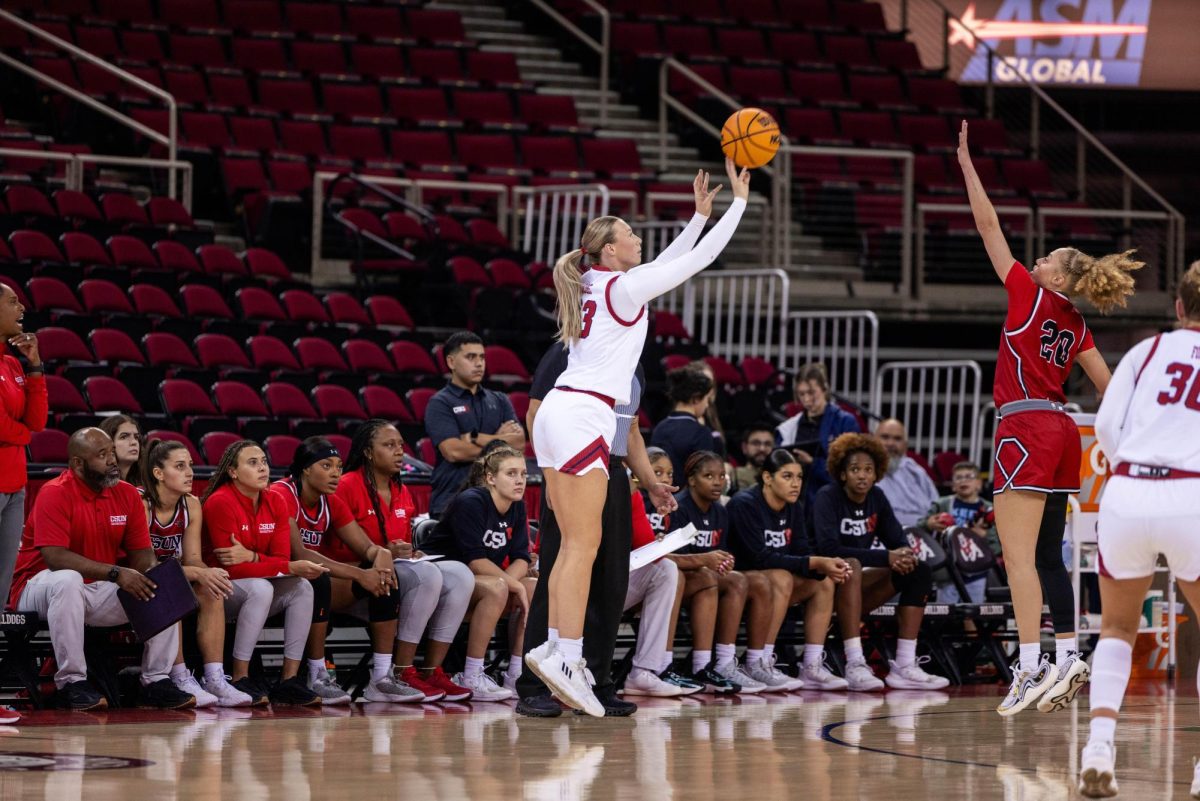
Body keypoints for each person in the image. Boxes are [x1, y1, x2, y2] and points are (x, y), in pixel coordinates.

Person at [525, 159, 749, 717]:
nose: (638, 236)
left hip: (561, 413)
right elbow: (698, 263)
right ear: (608, 250)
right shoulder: (623, 288)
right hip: (583, 415)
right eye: (628, 233)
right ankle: (567, 655)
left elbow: (672, 260)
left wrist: (698, 217)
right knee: (583, 545)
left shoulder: (603, 285)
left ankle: (556, 646)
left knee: (568, 548)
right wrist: (738, 204)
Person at [959, 120, 1140, 716]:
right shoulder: (1077, 322)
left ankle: (1030, 665)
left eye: (1045, 258)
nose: (1033, 259)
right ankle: (1067, 656)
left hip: (1025, 427)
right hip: (1065, 430)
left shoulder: (1026, 294)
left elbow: (989, 227)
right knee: (1046, 557)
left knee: (1015, 558)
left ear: (1057, 277)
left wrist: (967, 166)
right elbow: (1110, 386)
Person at [1077, 262, 1200, 798]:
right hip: (1191, 492)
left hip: (1127, 489)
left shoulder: (1146, 351)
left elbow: (1105, 424)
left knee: (1116, 630)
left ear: (1178, 307)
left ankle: (1099, 746)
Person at [517, 344, 674, 718]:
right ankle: (535, 685)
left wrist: (651, 484)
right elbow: (536, 414)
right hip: (574, 471)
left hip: (615, 472)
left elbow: (631, 429)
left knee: (610, 582)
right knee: (560, 571)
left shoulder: (634, 361)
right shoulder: (567, 351)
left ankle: (597, 681)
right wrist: (550, 477)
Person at [8, 428, 194, 711]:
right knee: (67, 580)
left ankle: (156, 680)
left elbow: (142, 555)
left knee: (161, 581)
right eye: (102, 455)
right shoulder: (55, 492)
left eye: (111, 452)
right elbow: (55, 559)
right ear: (78, 464)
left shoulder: (127, 494)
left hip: (94, 587)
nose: (112, 460)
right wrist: (118, 574)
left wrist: (149, 574)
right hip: (36, 588)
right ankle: (71, 682)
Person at [268, 437, 426, 705]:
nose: (335, 473)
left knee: (385, 577)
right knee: (317, 577)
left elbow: (366, 547)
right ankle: (317, 673)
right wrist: (359, 574)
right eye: (326, 465)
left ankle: (381, 678)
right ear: (306, 469)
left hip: (304, 581)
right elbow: (300, 554)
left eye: (339, 467)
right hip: (273, 579)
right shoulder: (282, 494)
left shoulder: (330, 501)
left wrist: (382, 555)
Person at [335, 419, 475, 702]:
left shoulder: (402, 489)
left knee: (460, 575)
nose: (399, 451)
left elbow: (400, 546)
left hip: (395, 573)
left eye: (400, 445)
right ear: (368, 452)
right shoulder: (346, 485)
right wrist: (387, 550)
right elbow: (346, 544)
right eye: (389, 445)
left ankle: (431, 670)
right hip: (354, 575)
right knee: (427, 575)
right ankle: (400, 671)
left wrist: (411, 552)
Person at [813, 433, 950, 691]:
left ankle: (905, 665)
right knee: (850, 564)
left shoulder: (877, 497)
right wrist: (887, 557)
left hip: (855, 587)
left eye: (868, 470)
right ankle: (854, 662)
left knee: (918, 569)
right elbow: (828, 549)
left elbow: (898, 540)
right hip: (824, 584)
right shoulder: (827, 497)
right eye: (855, 470)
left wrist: (903, 556)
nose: (862, 475)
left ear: (877, 473)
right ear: (842, 474)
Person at [201, 440, 326, 706]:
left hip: (253, 588)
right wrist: (280, 565)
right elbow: (231, 568)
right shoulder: (219, 502)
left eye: (264, 462)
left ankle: (289, 679)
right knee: (262, 587)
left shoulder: (276, 500)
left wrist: (254, 557)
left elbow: (280, 558)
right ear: (233, 472)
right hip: (218, 593)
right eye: (253, 463)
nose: (262, 468)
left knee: (302, 587)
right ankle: (239, 677)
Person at [727, 449, 854, 692]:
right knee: (782, 577)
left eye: (799, 477)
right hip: (741, 584)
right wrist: (815, 562)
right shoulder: (744, 504)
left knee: (824, 582)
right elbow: (759, 558)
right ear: (767, 478)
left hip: (773, 586)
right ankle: (758, 662)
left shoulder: (794, 507)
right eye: (787, 476)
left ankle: (812, 666)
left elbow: (801, 549)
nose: (795, 484)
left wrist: (823, 567)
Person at [140, 438, 252, 708]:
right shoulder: (141, 503)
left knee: (211, 587)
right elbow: (145, 564)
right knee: (172, 584)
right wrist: (195, 572)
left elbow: (192, 558)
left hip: (172, 576)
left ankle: (214, 677)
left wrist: (209, 573)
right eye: (180, 466)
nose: (189, 472)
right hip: (139, 582)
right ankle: (179, 676)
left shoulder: (191, 504)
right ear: (158, 473)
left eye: (190, 465)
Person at [423, 444, 535, 701]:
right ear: (490, 478)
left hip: (477, 582)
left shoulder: (516, 506)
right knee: (500, 587)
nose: (519, 480)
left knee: (532, 587)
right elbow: (475, 561)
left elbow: (521, 556)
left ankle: (517, 674)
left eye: (523, 474)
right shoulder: (471, 502)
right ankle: (471, 674)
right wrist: (510, 585)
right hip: (441, 580)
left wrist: (515, 584)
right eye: (511, 474)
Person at [667, 451, 775, 694]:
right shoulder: (679, 508)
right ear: (692, 480)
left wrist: (724, 562)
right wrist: (708, 562)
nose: (718, 482)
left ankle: (728, 662)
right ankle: (701, 665)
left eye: (722, 476)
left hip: (705, 578)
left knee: (753, 580)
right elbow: (672, 559)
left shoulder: (720, 511)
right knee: (715, 579)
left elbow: (722, 554)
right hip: (677, 581)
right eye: (709, 476)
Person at [424, 331, 526, 517]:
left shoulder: (500, 399)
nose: (479, 363)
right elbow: (454, 452)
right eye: (470, 357)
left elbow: (519, 443)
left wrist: (475, 438)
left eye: (482, 357)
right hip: (452, 501)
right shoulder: (440, 402)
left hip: (497, 502)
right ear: (451, 362)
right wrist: (501, 441)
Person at [0, 284, 46, 620]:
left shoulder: (13, 365)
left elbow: (37, 421)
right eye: (13, 302)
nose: (22, 308)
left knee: (3, 574)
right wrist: (23, 435)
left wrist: (34, 366)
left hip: (15, 484)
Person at [619, 492, 690, 698]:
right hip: (576, 581)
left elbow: (646, 548)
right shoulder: (578, 484)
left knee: (665, 569)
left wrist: (657, 544)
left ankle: (643, 671)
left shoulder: (631, 493)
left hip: (613, 583)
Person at [774, 363, 861, 509]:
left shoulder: (846, 422)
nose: (807, 399)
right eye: (802, 394)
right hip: (797, 507)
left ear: (824, 389)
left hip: (834, 506)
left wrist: (813, 463)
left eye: (812, 392)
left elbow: (853, 472)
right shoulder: (789, 428)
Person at [923, 461, 999, 604]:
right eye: (958, 478)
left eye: (969, 476)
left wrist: (985, 536)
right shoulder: (942, 504)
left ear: (979, 483)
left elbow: (999, 543)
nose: (963, 480)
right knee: (945, 612)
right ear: (952, 485)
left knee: (973, 612)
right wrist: (929, 524)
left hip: (976, 571)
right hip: (947, 570)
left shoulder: (989, 509)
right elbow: (920, 529)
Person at [650, 364, 722, 482]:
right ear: (696, 399)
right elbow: (704, 478)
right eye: (706, 400)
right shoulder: (701, 432)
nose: (707, 405)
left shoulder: (659, 428)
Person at [874, 418, 938, 528]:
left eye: (897, 439)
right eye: (885, 437)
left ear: (905, 445)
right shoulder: (863, 472)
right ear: (873, 440)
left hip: (923, 537)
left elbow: (937, 506)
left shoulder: (916, 471)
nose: (890, 443)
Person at [640, 448, 676, 536]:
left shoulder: (671, 504)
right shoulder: (631, 495)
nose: (666, 480)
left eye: (670, 474)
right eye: (658, 472)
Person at [99, 414, 143, 486]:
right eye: (124, 437)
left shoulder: (144, 481)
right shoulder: (101, 485)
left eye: (136, 437)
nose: (134, 442)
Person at [732, 423, 776, 492]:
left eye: (767, 444)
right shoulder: (732, 475)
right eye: (756, 443)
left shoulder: (780, 478)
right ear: (744, 447)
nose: (762, 449)